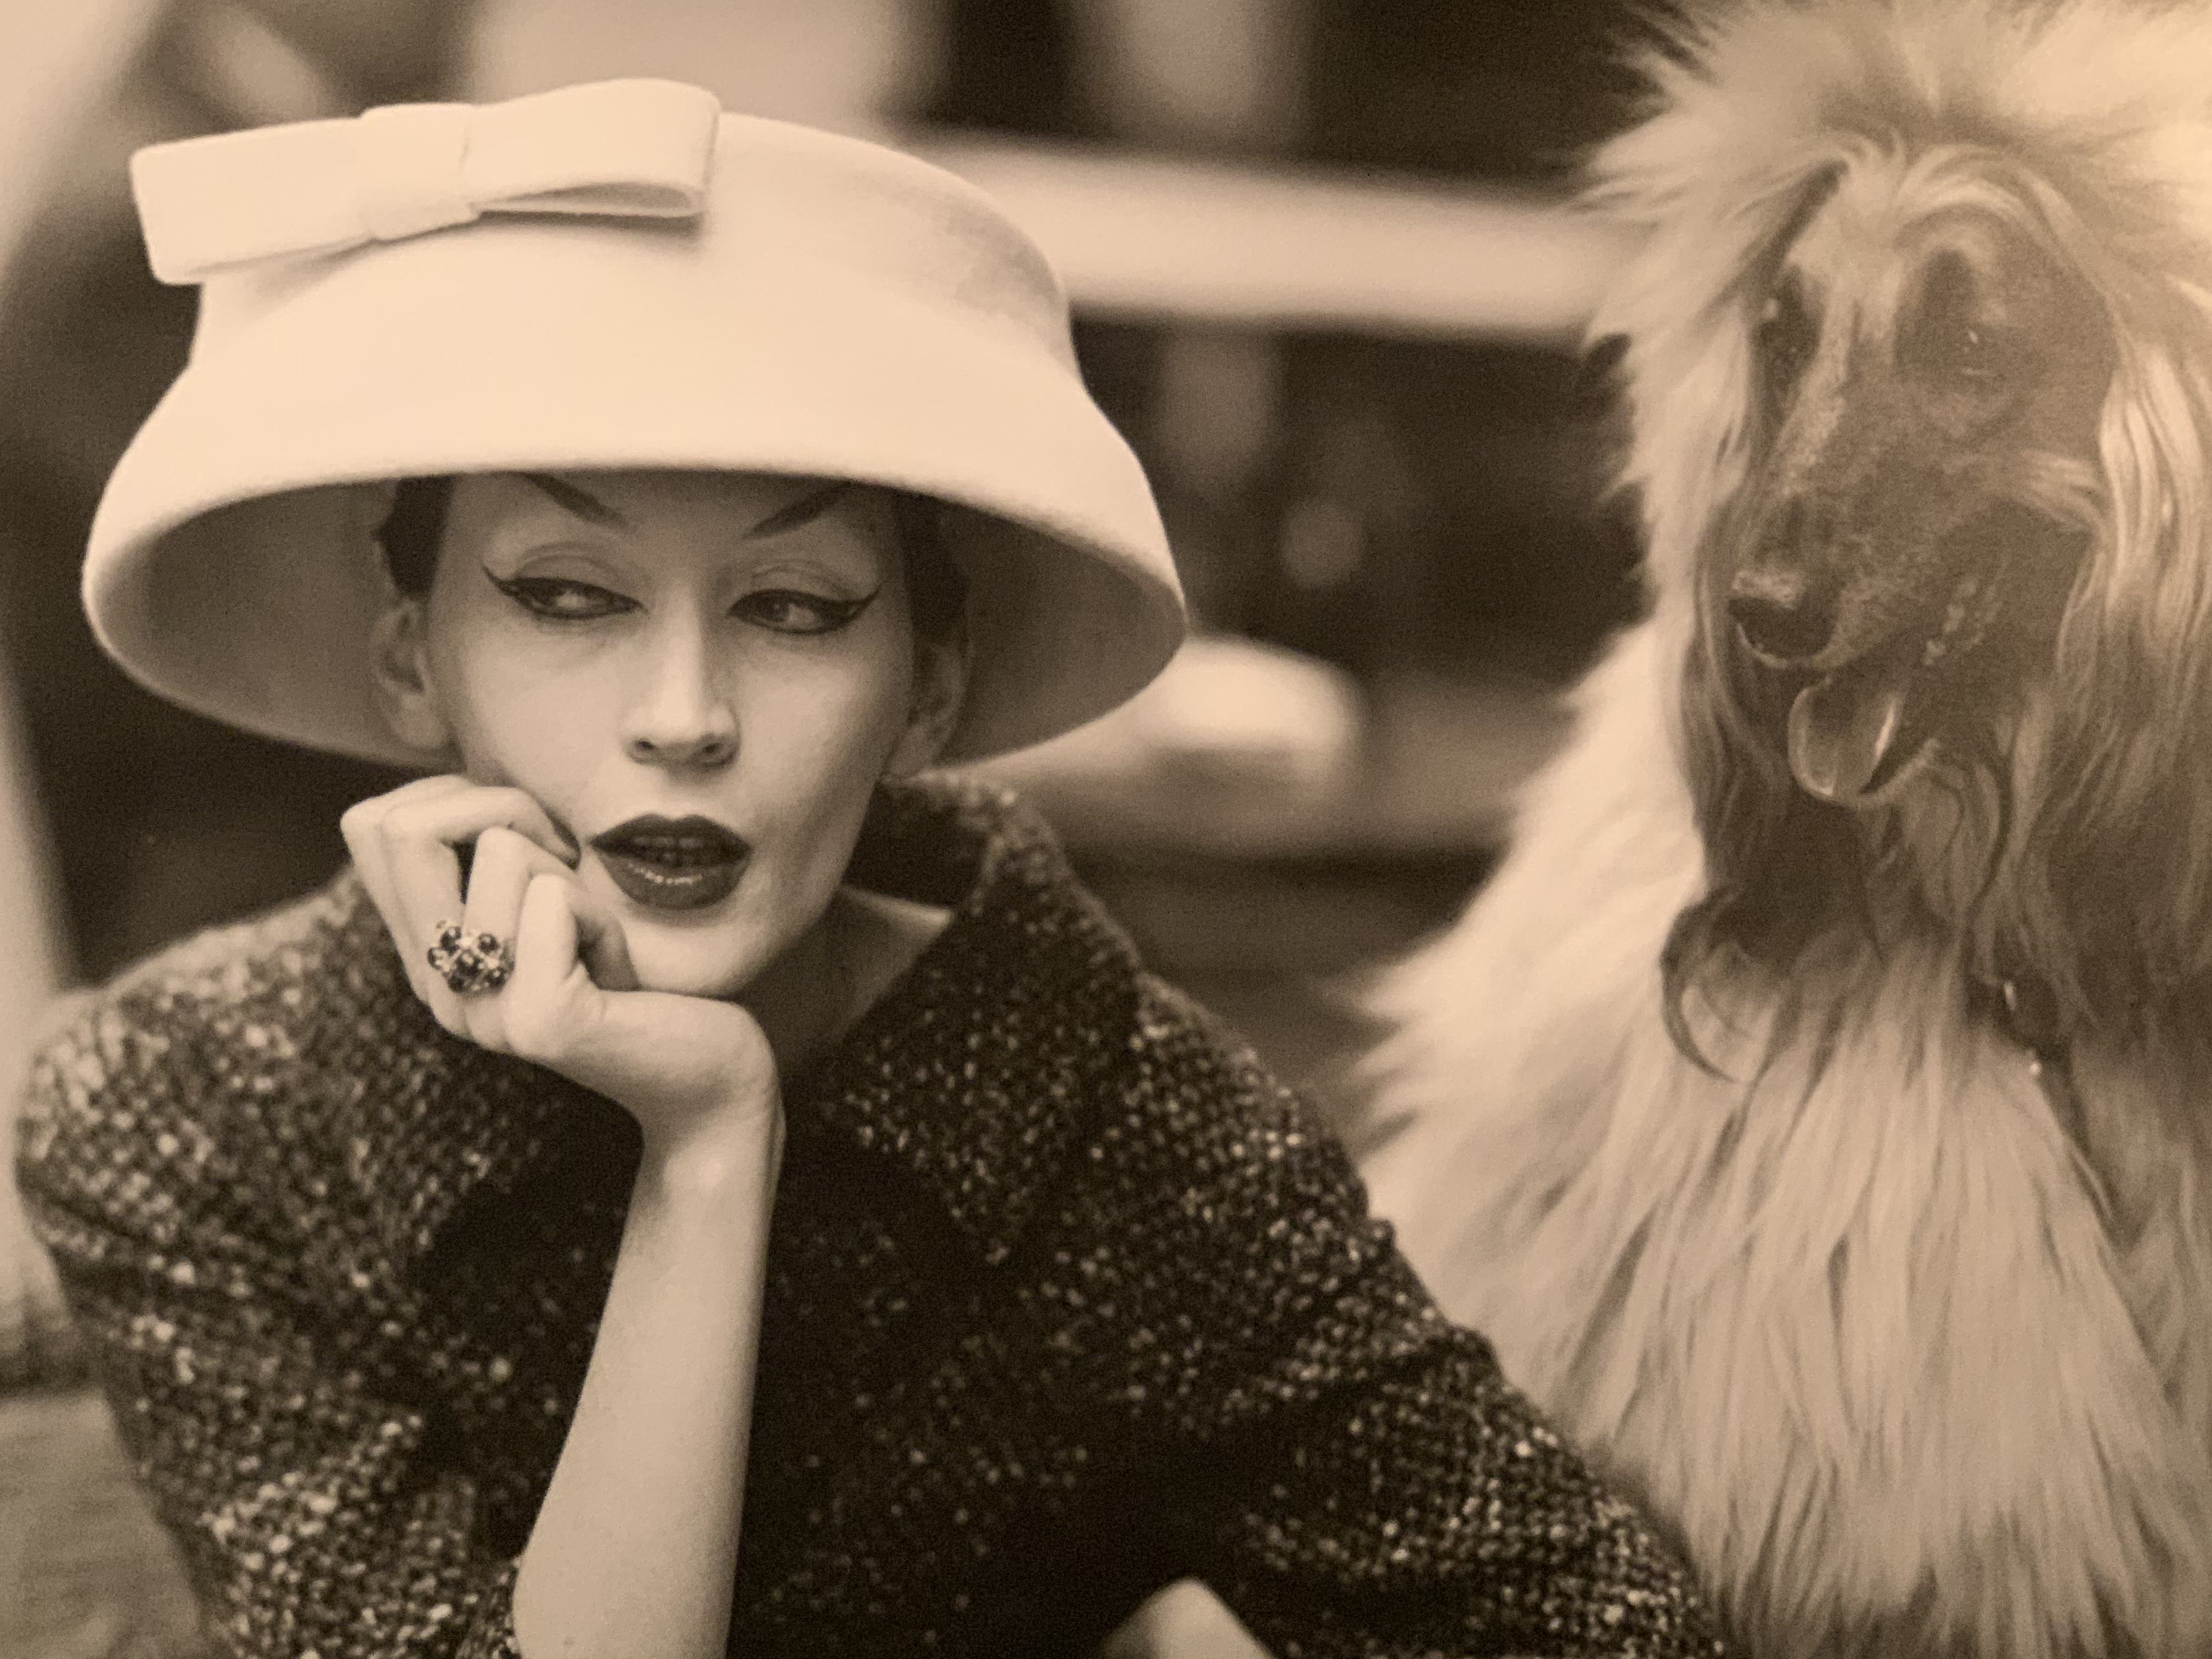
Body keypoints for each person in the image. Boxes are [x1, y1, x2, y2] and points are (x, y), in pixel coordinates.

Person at [15, 78, 1724, 1659]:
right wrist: (699, 1159)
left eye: (796, 609)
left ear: (930, 688)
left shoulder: (1129, 1137)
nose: (682, 717)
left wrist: (714, 1132)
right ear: (412, 659)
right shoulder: (184, 1108)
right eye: (568, 596)